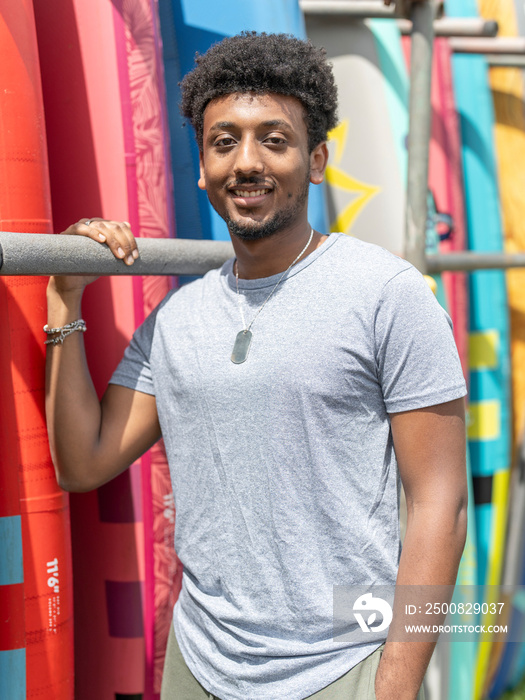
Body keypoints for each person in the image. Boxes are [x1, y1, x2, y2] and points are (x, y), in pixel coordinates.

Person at [45, 32, 467, 700]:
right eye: (223, 142)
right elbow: (83, 461)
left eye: (274, 139)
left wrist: (392, 685)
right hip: (200, 665)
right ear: (200, 167)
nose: (247, 163)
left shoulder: (388, 294)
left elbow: (440, 505)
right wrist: (64, 297)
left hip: (343, 666)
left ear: (318, 158)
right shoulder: (176, 322)